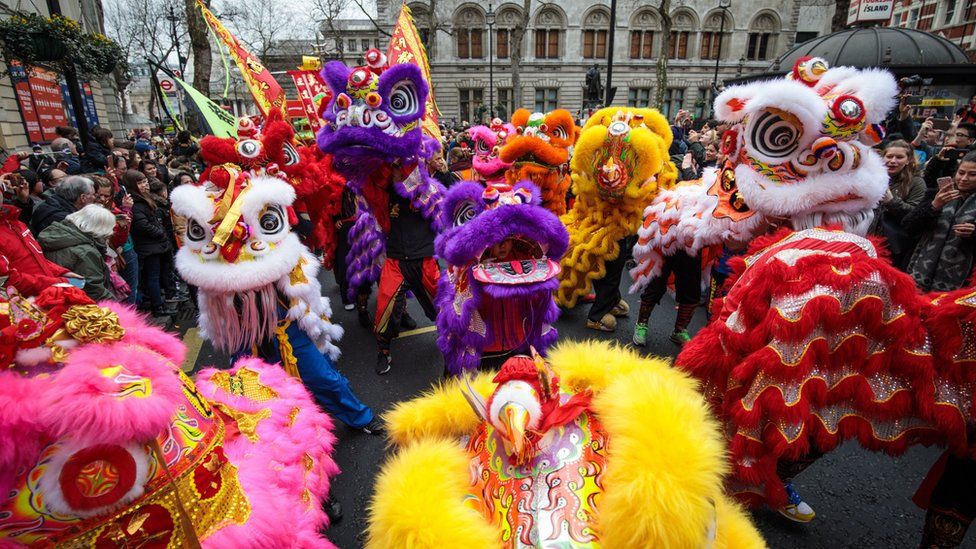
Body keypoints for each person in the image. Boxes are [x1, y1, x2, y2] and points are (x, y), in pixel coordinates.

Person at [905, 150, 976, 292]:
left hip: (960, 285)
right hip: (918, 276)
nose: (964, 178)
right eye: (961, 172)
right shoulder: (940, 192)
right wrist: (934, 206)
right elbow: (908, 226)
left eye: (972, 175)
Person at [0, 173, 70, 294]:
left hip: (48, 294)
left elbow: (33, 257)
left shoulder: (15, 222)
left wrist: (61, 272)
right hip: (26, 306)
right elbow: (8, 280)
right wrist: (56, 282)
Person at [122, 170, 175, 316]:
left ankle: (160, 303)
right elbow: (142, 225)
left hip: (154, 245)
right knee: (153, 277)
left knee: (156, 276)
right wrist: (161, 233)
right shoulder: (136, 203)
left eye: (145, 181)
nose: (145, 185)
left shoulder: (144, 199)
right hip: (149, 247)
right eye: (140, 182)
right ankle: (158, 306)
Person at [38, 204, 116, 302]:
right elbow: (94, 291)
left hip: (52, 297)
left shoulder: (55, 233)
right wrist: (122, 310)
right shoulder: (87, 252)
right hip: (74, 306)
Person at [870, 140, 927, 269]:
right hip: (868, 239)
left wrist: (891, 201)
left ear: (908, 160)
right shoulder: (873, 177)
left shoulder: (917, 183)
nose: (893, 161)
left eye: (899, 157)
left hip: (893, 246)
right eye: (889, 156)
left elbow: (915, 215)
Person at [30, 175, 94, 235]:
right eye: (93, 194)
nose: (94, 198)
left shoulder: (48, 203)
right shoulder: (67, 220)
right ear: (83, 198)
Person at [923, 123, 976, 189]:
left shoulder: (972, 159)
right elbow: (929, 180)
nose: (952, 138)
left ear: (970, 141)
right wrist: (938, 160)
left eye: (959, 135)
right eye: (950, 135)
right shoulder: (941, 156)